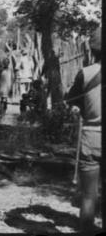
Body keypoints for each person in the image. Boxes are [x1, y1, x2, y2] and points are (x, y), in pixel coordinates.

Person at [66, 27, 101, 231]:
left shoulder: (85, 74)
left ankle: (86, 230)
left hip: (92, 138)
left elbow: (73, 103)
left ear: (92, 50)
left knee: (89, 194)